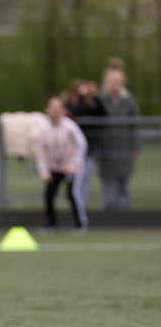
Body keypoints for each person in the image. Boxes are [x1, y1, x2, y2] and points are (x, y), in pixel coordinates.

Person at [37, 97, 87, 233]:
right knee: (49, 194)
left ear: (63, 110)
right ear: (47, 110)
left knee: (72, 193)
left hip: (71, 167)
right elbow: (41, 151)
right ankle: (50, 224)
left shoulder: (70, 126)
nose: (55, 111)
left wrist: (73, 165)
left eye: (58, 108)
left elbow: (81, 145)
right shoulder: (44, 128)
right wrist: (44, 171)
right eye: (52, 108)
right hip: (55, 167)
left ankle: (80, 224)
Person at [96, 67, 140, 210]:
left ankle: (124, 217)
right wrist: (96, 151)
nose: (115, 84)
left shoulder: (129, 100)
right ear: (105, 81)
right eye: (112, 80)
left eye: (118, 81)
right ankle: (108, 217)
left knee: (124, 187)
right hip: (106, 152)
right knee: (109, 188)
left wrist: (135, 146)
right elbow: (94, 127)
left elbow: (135, 125)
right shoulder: (99, 100)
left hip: (124, 151)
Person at [62, 78, 103, 230]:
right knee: (74, 189)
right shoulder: (69, 105)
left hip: (87, 152)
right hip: (71, 155)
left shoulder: (89, 105)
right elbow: (76, 113)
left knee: (84, 186)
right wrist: (81, 97)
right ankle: (77, 216)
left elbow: (102, 114)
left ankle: (81, 216)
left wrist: (96, 97)